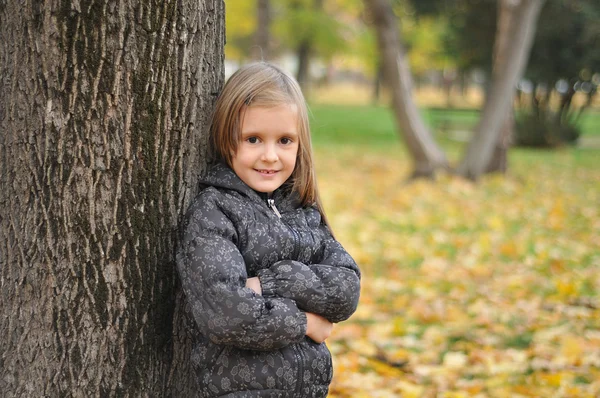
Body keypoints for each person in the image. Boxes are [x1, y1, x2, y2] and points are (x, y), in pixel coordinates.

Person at [177, 62, 361, 397]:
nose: (270, 156)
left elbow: (346, 288)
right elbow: (225, 312)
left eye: (285, 140)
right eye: (253, 139)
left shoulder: (302, 210)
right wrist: (306, 323)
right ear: (226, 137)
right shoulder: (216, 211)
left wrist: (269, 283)